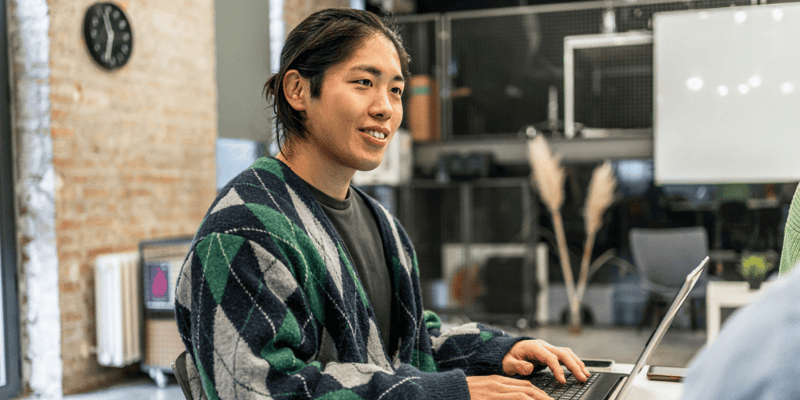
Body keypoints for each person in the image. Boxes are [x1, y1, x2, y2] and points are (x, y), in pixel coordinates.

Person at [174, 8, 589, 400]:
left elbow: (408, 345)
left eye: (395, 90)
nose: (385, 109)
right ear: (298, 90)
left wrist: (496, 352)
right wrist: (444, 393)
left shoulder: (383, 224)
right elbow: (262, 389)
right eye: (363, 83)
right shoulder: (243, 233)